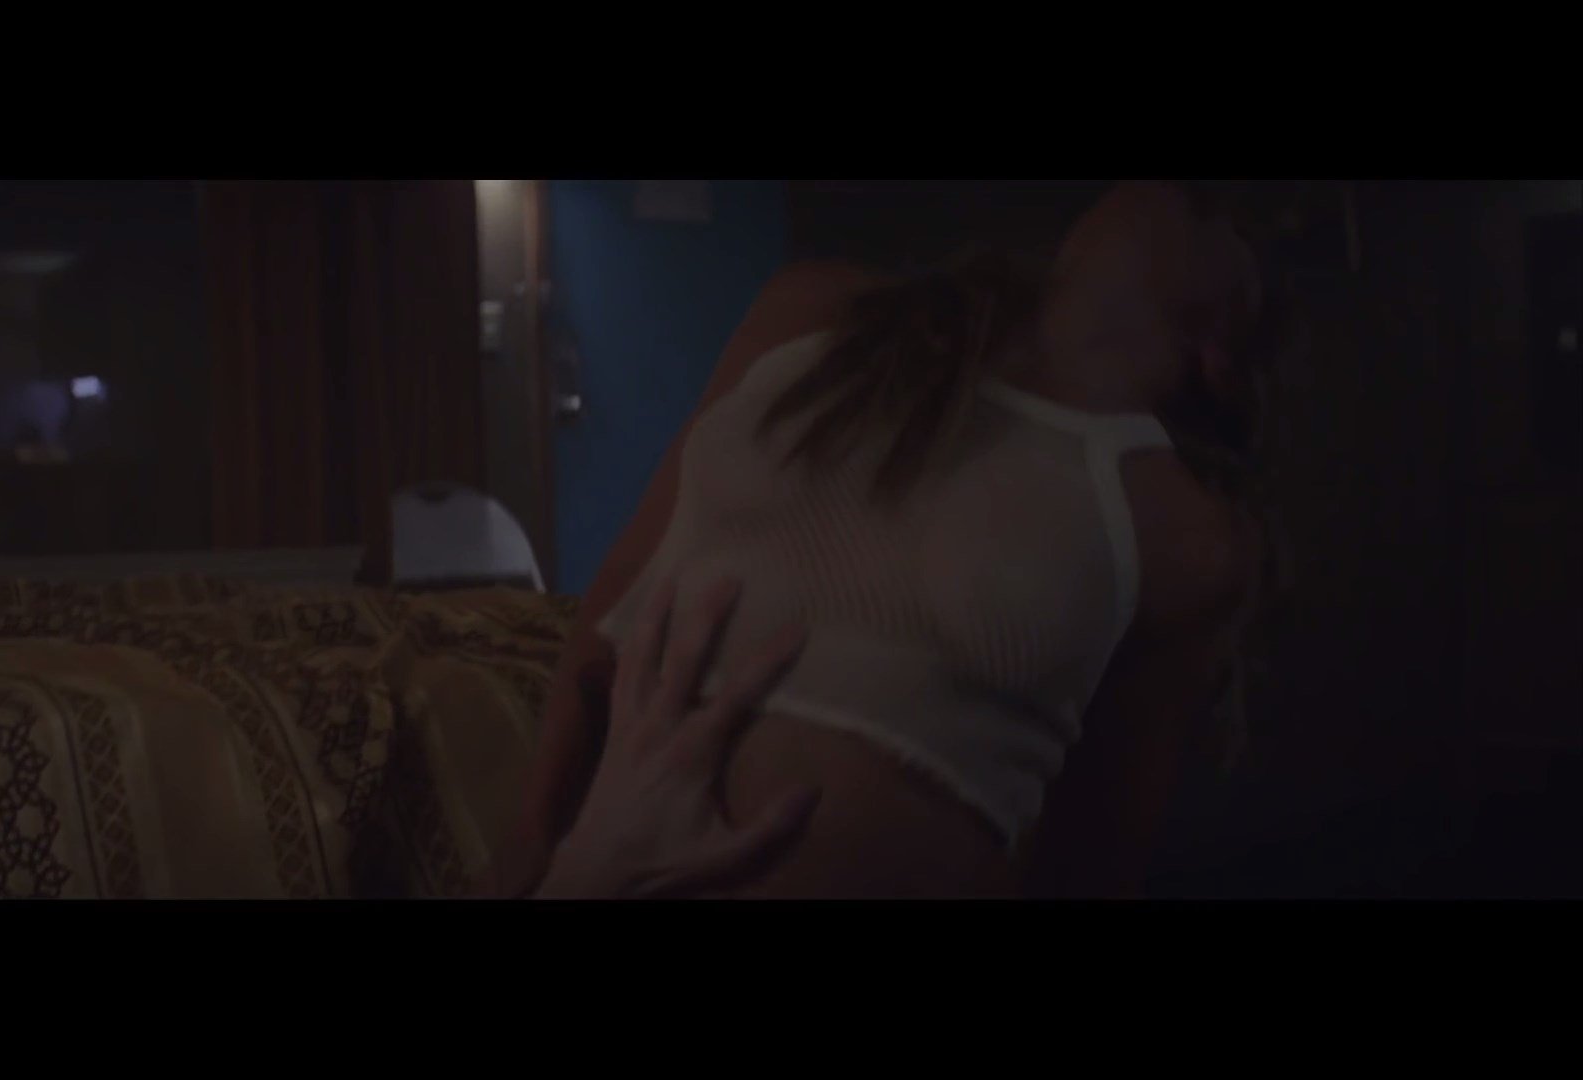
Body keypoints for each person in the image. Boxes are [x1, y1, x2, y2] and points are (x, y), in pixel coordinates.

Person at [507, 181, 1294, 899]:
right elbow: (628, 583)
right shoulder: (820, 312)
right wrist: (532, 838)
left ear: (1221, 356)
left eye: (1237, 220)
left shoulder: (1183, 532)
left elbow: (1089, 859)